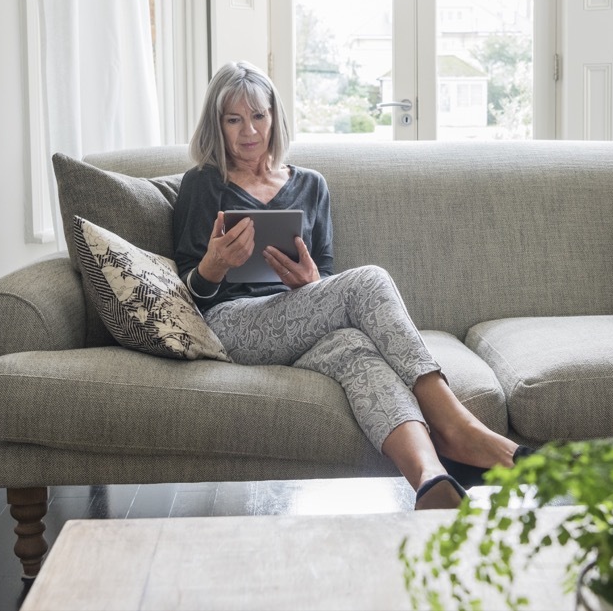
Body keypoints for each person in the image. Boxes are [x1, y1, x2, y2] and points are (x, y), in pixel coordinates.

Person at [173, 61, 530, 510]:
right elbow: (190, 292)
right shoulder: (203, 185)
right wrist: (213, 266)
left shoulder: (311, 186)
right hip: (233, 326)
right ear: (217, 125)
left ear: (274, 117)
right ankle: (457, 425)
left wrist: (311, 282)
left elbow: (325, 276)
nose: (249, 131)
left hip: (303, 323)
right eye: (234, 119)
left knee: (354, 350)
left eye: (258, 116)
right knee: (369, 281)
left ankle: (431, 478)